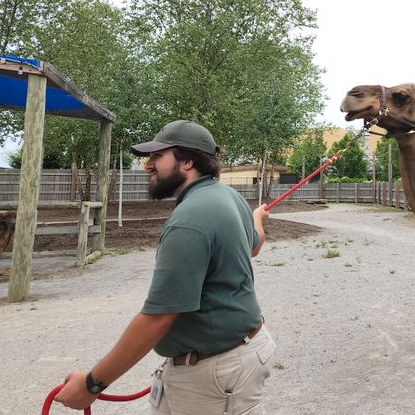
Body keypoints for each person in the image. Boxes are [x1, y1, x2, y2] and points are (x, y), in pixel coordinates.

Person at [55, 120, 275, 413]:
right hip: (239, 352)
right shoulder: (230, 197)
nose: (148, 165)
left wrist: (92, 385)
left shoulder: (190, 219)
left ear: (187, 161)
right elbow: (254, 244)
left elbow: (158, 318)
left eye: (158, 156)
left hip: (214, 372)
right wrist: (257, 219)